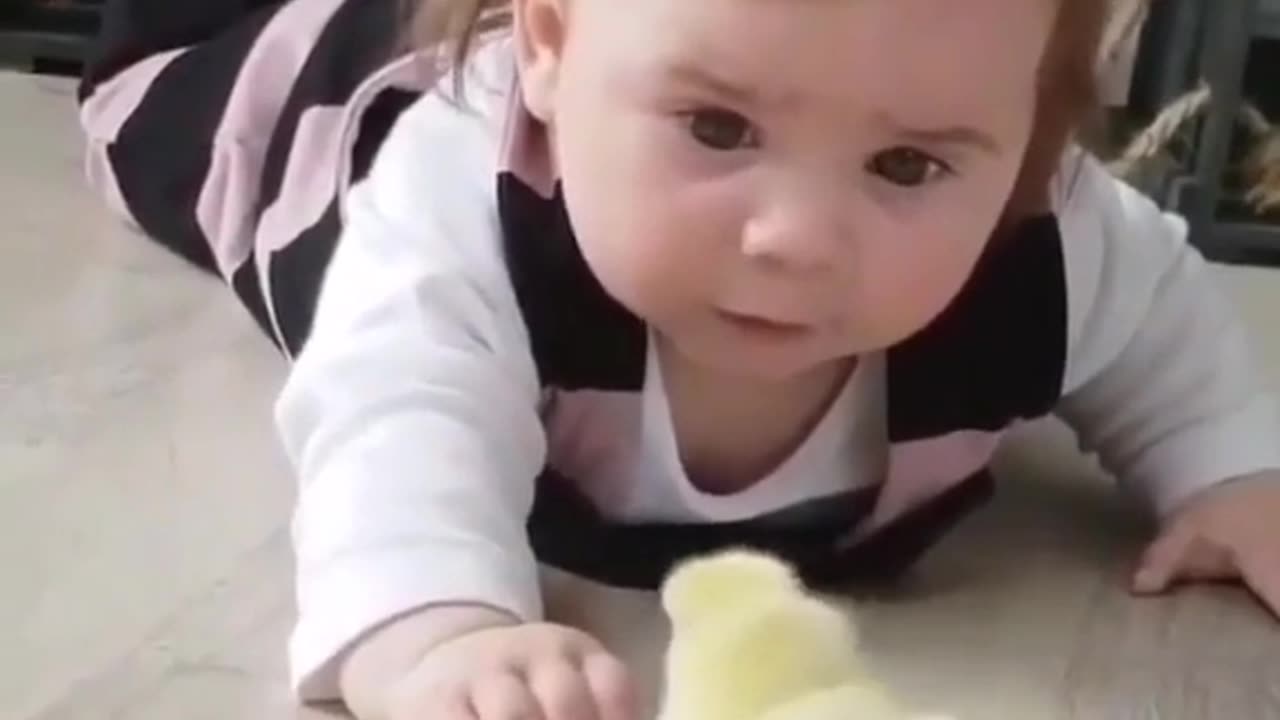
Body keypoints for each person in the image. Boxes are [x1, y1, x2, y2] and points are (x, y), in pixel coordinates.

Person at [77, 0, 1280, 719]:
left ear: (1033, 137)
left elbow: (1167, 321)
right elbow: (397, 403)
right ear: (547, 43)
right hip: (324, 120)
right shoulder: (467, 207)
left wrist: (1232, 475)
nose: (796, 240)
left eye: (907, 166)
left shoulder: (1046, 234)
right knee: (195, 109)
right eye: (717, 128)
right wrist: (436, 629)